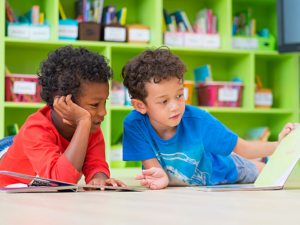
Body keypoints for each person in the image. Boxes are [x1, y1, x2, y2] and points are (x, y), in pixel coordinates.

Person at [121, 47, 296, 190]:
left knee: (264, 175)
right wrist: (160, 178)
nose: (175, 106)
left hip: (226, 170)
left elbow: (245, 147)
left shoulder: (199, 120)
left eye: (180, 95)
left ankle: (258, 161)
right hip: (193, 182)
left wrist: (281, 145)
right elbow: (156, 171)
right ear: (140, 106)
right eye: (163, 101)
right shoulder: (134, 124)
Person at [0, 46, 126, 189]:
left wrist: (100, 179)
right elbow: (61, 182)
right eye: (95, 104)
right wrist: (83, 122)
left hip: (32, 155)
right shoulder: (36, 129)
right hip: (6, 160)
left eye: (105, 102)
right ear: (64, 103)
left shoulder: (91, 127)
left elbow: (95, 164)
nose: (103, 112)